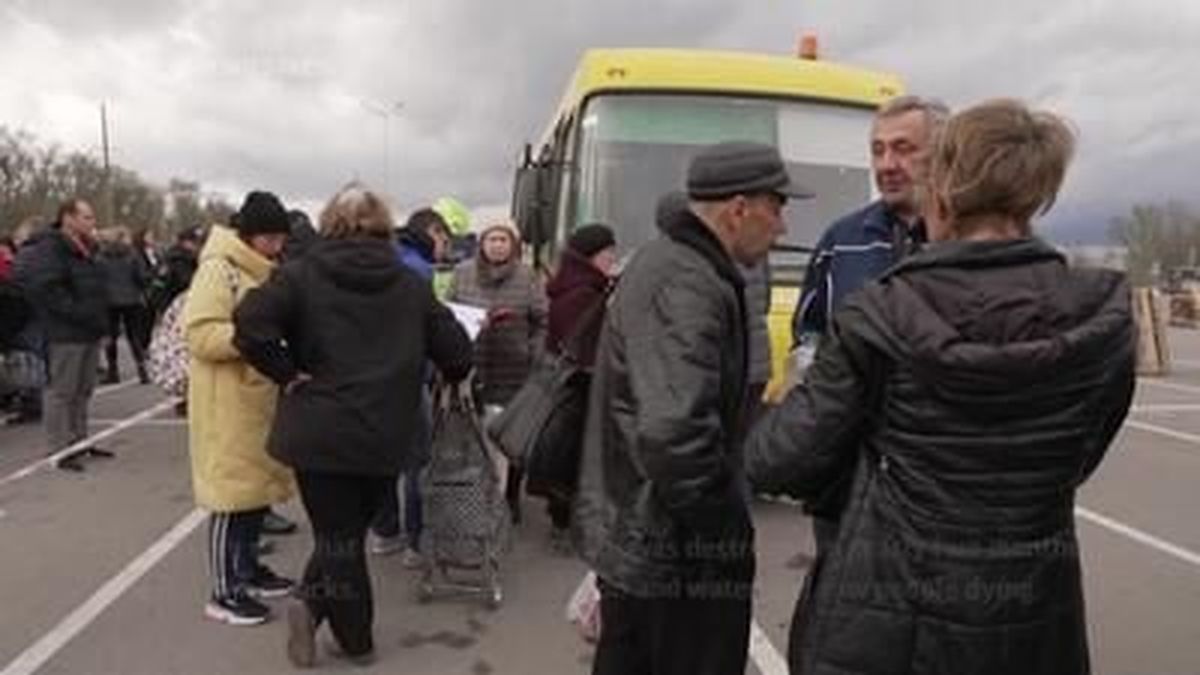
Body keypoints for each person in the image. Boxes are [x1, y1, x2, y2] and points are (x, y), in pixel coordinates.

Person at [745, 99, 1136, 675]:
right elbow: (1079, 455)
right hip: (1033, 610)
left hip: (891, 612)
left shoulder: (880, 311)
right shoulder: (1103, 317)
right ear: (1035, 193)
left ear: (943, 188)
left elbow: (778, 461)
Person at [574, 141, 803, 675]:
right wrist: (728, 531)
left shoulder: (681, 263)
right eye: (777, 207)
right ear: (738, 209)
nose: (783, 228)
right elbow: (674, 435)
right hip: (673, 553)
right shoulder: (686, 279)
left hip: (651, 535)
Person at [232, 184, 473, 668]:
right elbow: (458, 353)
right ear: (384, 225)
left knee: (337, 539)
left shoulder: (299, 275)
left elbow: (249, 323)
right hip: (384, 431)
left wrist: (287, 372)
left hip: (318, 428)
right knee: (344, 538)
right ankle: (349, 635)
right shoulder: (410, 283)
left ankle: (320, 609)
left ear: (329, 224)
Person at [787, 95, 949, 557]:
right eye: (877, 150)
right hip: (848, 479)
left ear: (942, 153)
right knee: (844, 608)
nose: (887, 164)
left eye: (904, 148)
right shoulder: (841, 241)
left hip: (937, 480)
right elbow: (809, 334)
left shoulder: (967, 239)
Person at [184, 192, 296, 626]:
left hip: (258, 398)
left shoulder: (264, 271)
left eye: (279, 237)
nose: (277, 246)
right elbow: (200, 334)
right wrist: (253, 339)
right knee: (229, 500)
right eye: (269, 237)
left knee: (253, 496)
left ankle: (249, 571)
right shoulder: (219, 270)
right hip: (227, 403)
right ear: (249, 235)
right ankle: (223, 591)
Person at [447, 216, 547, 522]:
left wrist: (533, 351)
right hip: (472, 366)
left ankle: (511, 496)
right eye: (492, 238)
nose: (498, 244)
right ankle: (478, 497)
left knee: (510, 436)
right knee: (471, 437)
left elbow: (543, 319)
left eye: (504, 239)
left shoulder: (528, 276)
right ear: (482, 243)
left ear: (513, 245)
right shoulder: (462, 273)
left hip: (514, 368)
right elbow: (447, 313)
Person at [368, 206, 452, 564]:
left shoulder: (381, 260)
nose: (445, 249)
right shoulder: (417, 270)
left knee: (383, 460)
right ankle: (417, 541)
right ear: (433, 232)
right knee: (418, 461)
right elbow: (424, 330)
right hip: (407, 377)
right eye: (445, 240)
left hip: (371, 379)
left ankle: (385, 531)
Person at [539, 222, 616, 549]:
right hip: (580, 384)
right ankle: (565, 524)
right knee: (572, 456)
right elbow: (583, 344)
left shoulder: (580, 286)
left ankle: (565, 521)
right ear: (591, 255)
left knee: (568, 454)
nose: (613, 258)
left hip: (573, 384)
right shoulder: (583, 293)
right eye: (608, 252)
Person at [20, 199, 111, 471]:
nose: (92, 222)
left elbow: (96, 286)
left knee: (83, 390)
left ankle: (79, 440)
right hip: (65, 331)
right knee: (62, 390)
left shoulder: (88, 247)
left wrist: (100, 323)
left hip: (89, 330)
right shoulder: (51, 247)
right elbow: (47, 289)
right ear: (68, 218)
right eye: (86, 217)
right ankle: (58, 448)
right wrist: (77, 311)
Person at [97, 226, 150, 384]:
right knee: (134, 336)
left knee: (111, 337)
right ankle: (142, 370)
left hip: (109, 301)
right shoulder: (132, 255)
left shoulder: (101, 256)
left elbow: (97, 278)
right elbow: (141, 277)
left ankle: (113, 371)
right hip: (131, 299)